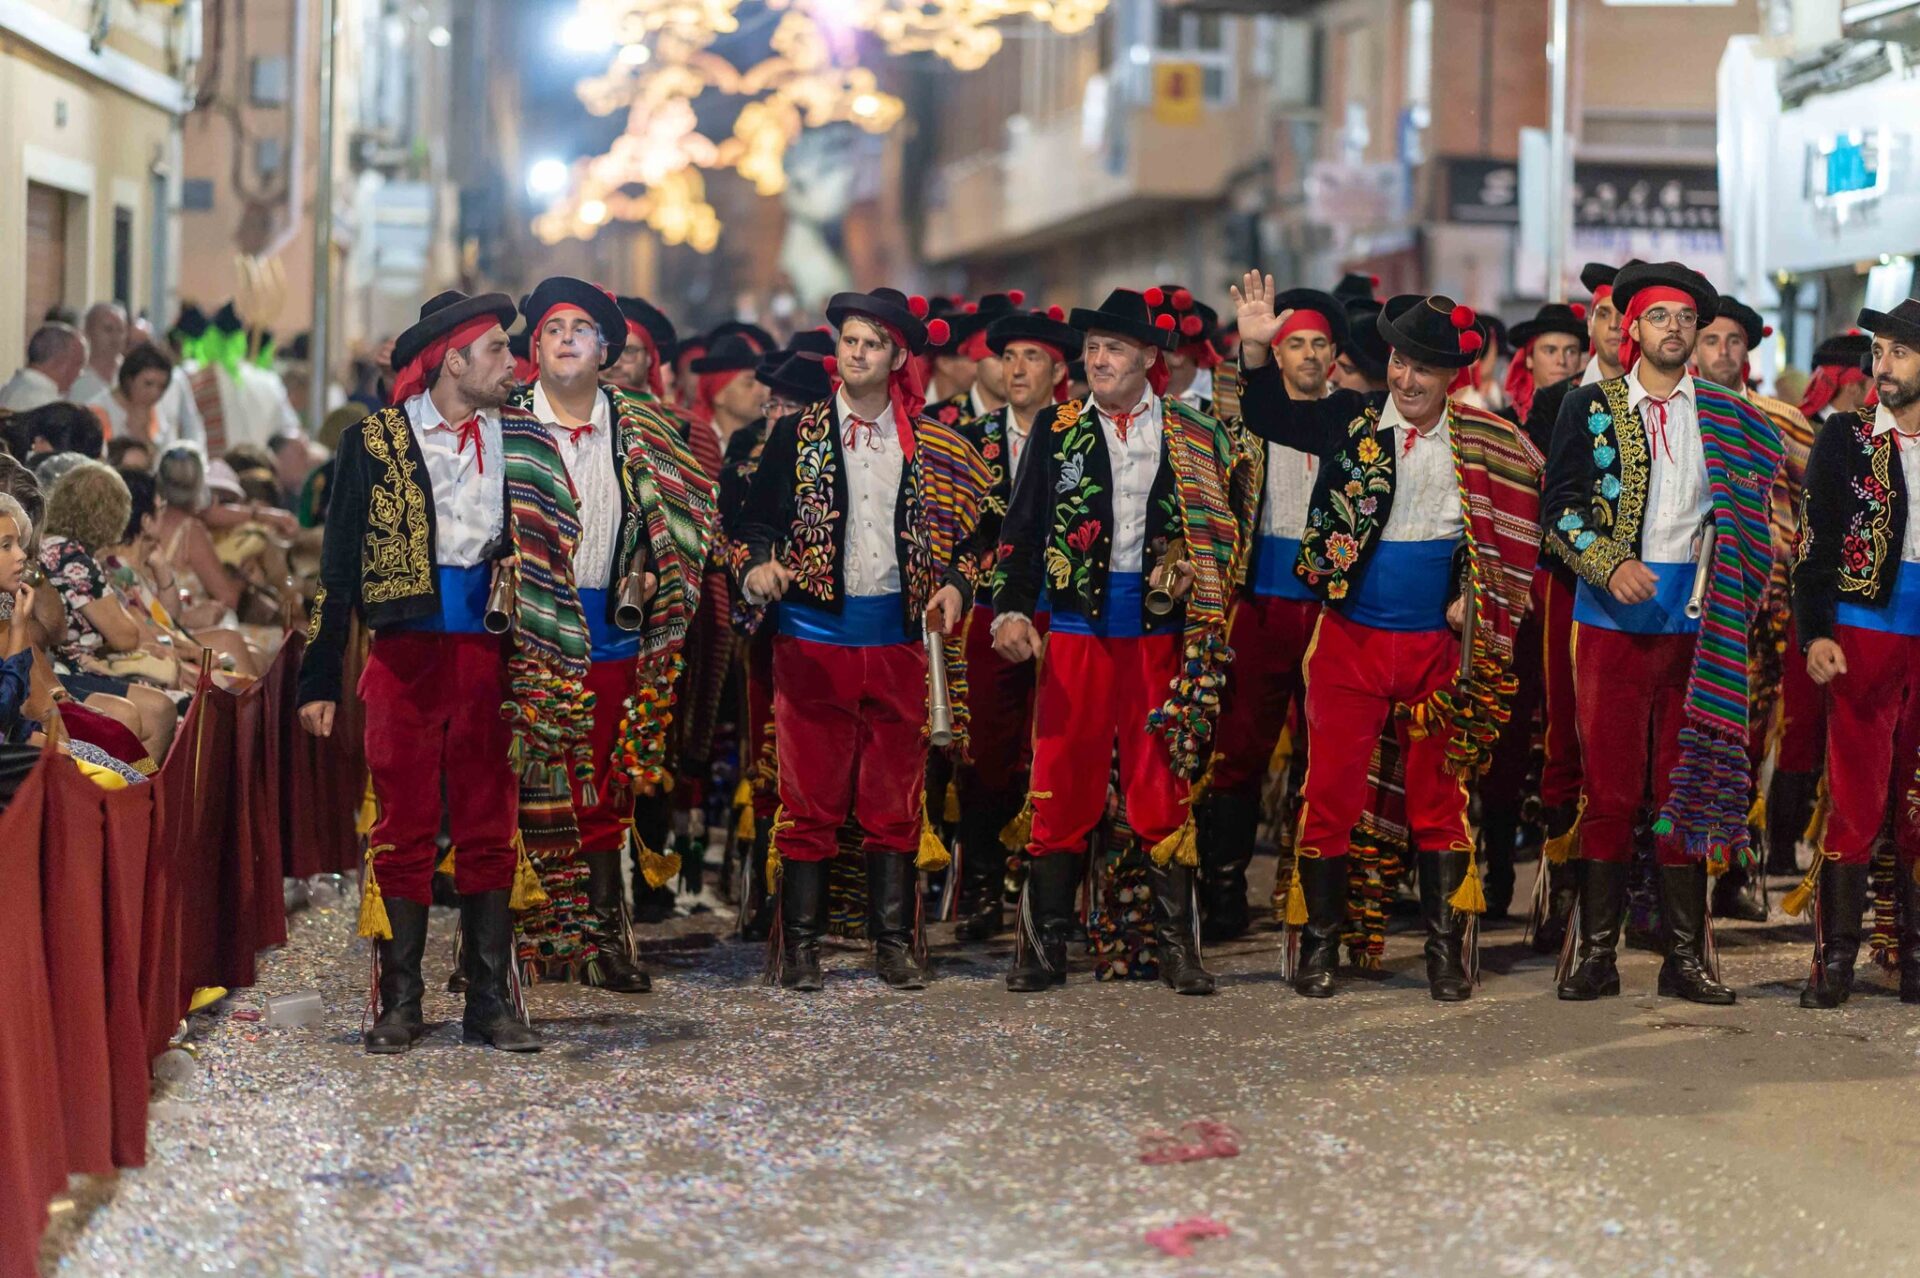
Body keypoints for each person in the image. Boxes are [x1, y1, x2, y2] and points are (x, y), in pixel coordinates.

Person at [1233, 273, 1543, 1002]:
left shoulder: (1480, 442)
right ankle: (1319, 945)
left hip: (1436, 650)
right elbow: (1267, 413)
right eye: (1400, 363)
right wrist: (1253, 351)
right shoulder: (1350, 418)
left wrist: (1471, 590)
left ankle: (1443, 951)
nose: (1407, 379)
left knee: (1439, 802)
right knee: (1330, 795)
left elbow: (1493, 535)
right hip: (1349, 643)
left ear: (1450, 376)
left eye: (1424, 368)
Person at [300, 289, 593, 1055]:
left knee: (490, 826)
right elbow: (337, 570)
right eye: (497, 349)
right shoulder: (373, 442)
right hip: (405, 658)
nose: (513, 362)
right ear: (452, 361)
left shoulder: (523, 439)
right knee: (402, 831)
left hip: (494, 659)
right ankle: (400, 1001)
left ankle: (490, 1001)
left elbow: (559, 537)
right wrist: (319, 678)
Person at [736, 288, 991, 991]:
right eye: (849, 340)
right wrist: (758, 567)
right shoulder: (797, 434)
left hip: (899, 640)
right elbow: (755, 524)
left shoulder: (935, 443)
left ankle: (893, 943)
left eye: (872, 343)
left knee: (894, 797)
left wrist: (958, 585)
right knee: (809, 799)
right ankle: (801, 948)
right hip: (811, 640)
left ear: (898, 357)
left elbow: (983, 527)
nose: (857, 352)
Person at [1542, 261, 1781, 1005]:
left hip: (1699, 628)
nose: (1673, 329)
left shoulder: (1728, 414)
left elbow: (1758, 505)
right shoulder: (1588, 406)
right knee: (1611, 789)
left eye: (1685, 318)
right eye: (1659, 316)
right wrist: (1608, 563)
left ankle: (1685, 956)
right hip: (1610, 621)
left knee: (1688, 785)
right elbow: (1559, 509)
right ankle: (1596, 954)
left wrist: (1746, 564)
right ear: (1632, 327)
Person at [991, 287, 1240, 997]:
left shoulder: (1192, 432)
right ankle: (1043, 947)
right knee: (1061, 783)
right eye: (1092, 348)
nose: (1097, 360)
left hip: (1160, 635)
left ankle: (1176, 948)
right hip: (1077, 632)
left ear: (1149, 358)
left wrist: (1199, 570)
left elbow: (1227, 524)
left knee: (1162, 787)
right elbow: (1021, 529)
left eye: (1114, 349)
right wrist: (1011, 611)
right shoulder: (1059, 425)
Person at [511, 277, 718, 993]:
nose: (567, 338)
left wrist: (661, 567)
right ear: (534, 348)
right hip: (525, 633)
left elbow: (691, 517)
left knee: (603, 788)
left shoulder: (645, 428)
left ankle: (602, 939)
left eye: (582, 328)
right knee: (528, 785)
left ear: (605, 351)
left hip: (613, 629)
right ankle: (526, 941)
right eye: (553, 327)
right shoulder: (503, 424)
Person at [1191, 287, 1348, 942]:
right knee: (1239, 749)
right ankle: (1224, 888)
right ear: (1277, 355)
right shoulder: (1245, 423)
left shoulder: (1357, 422)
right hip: (1258, 605)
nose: (1308, 355)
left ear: (1334, 356)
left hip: (1333, 612)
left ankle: (1308, 890)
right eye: (1295, 344)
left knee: (1327, 754)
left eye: (1319, 344)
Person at [1790, 297, 1920, 1007]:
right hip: (1864, 630)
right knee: (1856, 795)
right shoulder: (1846, 436)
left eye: (1900, 352)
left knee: (1918, 801)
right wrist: (1815, 633)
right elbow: (1811, 545)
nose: (1884, 365)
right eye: (1879, 352)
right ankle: (1835, 958)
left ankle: (1914, 956)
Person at [944, 306, 1083, 941]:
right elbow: (952, 531)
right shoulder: (969, 440)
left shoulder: (1083, 433)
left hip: (1071, 611)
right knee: (986, 753)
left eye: (1032, 357)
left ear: (1058, 371)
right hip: (985, 614)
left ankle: (1053, 889)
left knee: (1063, 748)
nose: (1017, 369)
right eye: (1008, 357)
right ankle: (980, 884)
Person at [37, 460, 180, 759]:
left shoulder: (52, 546)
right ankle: (138, 780)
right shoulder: (73, 558)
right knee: (160, 709)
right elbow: (125, 637)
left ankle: (139, 777)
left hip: (68, 667)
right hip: (67, 670)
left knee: (158, 708)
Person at [88, 344, 175, 444]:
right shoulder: (97, 412)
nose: (155, 393)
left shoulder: (157, 410)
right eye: (148, 384)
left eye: (162, 387)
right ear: (129, 380)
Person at [0, 323, 86, 411]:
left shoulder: (8, 389)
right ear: (59, 361)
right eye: (78, 364)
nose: (80, 374)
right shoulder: (48, 406)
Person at [69, 302, 129, 405]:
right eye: (108, 329)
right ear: (87, 331)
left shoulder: (132, 373)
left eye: (120, 330)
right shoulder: (72, 375)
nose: (116, 337)